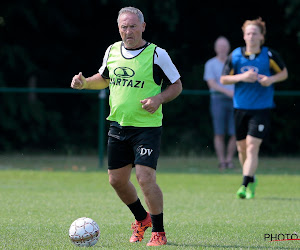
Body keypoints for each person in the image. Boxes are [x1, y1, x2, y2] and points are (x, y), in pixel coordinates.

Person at [71, 6, 182, 246]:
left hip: (146, 128)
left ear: (143, 27)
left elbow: (177, 85)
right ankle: (142, 219)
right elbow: (103, 79)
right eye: (124, 26)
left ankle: (159, 232)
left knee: (144, 177)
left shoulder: (156, 54)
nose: (128, 31)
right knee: (116, 181)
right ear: (118, 28)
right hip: (118, 126)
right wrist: (84, 84)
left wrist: (158, 99)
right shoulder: (112, 50)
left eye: (133, 26)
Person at [220, 17, 288, 199]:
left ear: (261, 37)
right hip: (240, 108)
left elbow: (284, 73)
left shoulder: (269, 55)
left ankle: (244, 184)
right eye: (248, 33)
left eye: (254, 33)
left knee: (251, 147)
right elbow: (224, 79)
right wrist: (242, 77)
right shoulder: (235, 55)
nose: (251, 36)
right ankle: (252, 178)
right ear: (244, 36)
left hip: (261, 109)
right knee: (241, 148)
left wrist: (270, 79)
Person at [204, 36, 236, 170]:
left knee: (235, 132)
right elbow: (212, 84)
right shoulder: (210, 64)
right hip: (218, 101)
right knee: (219, 133)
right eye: (220, 46)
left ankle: (229, 160)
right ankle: (222, 161)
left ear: (228, 48)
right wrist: (227, 92)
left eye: (225, 46)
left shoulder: (235, 62)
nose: (222, 49)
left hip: (236, 101)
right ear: (216, 48)